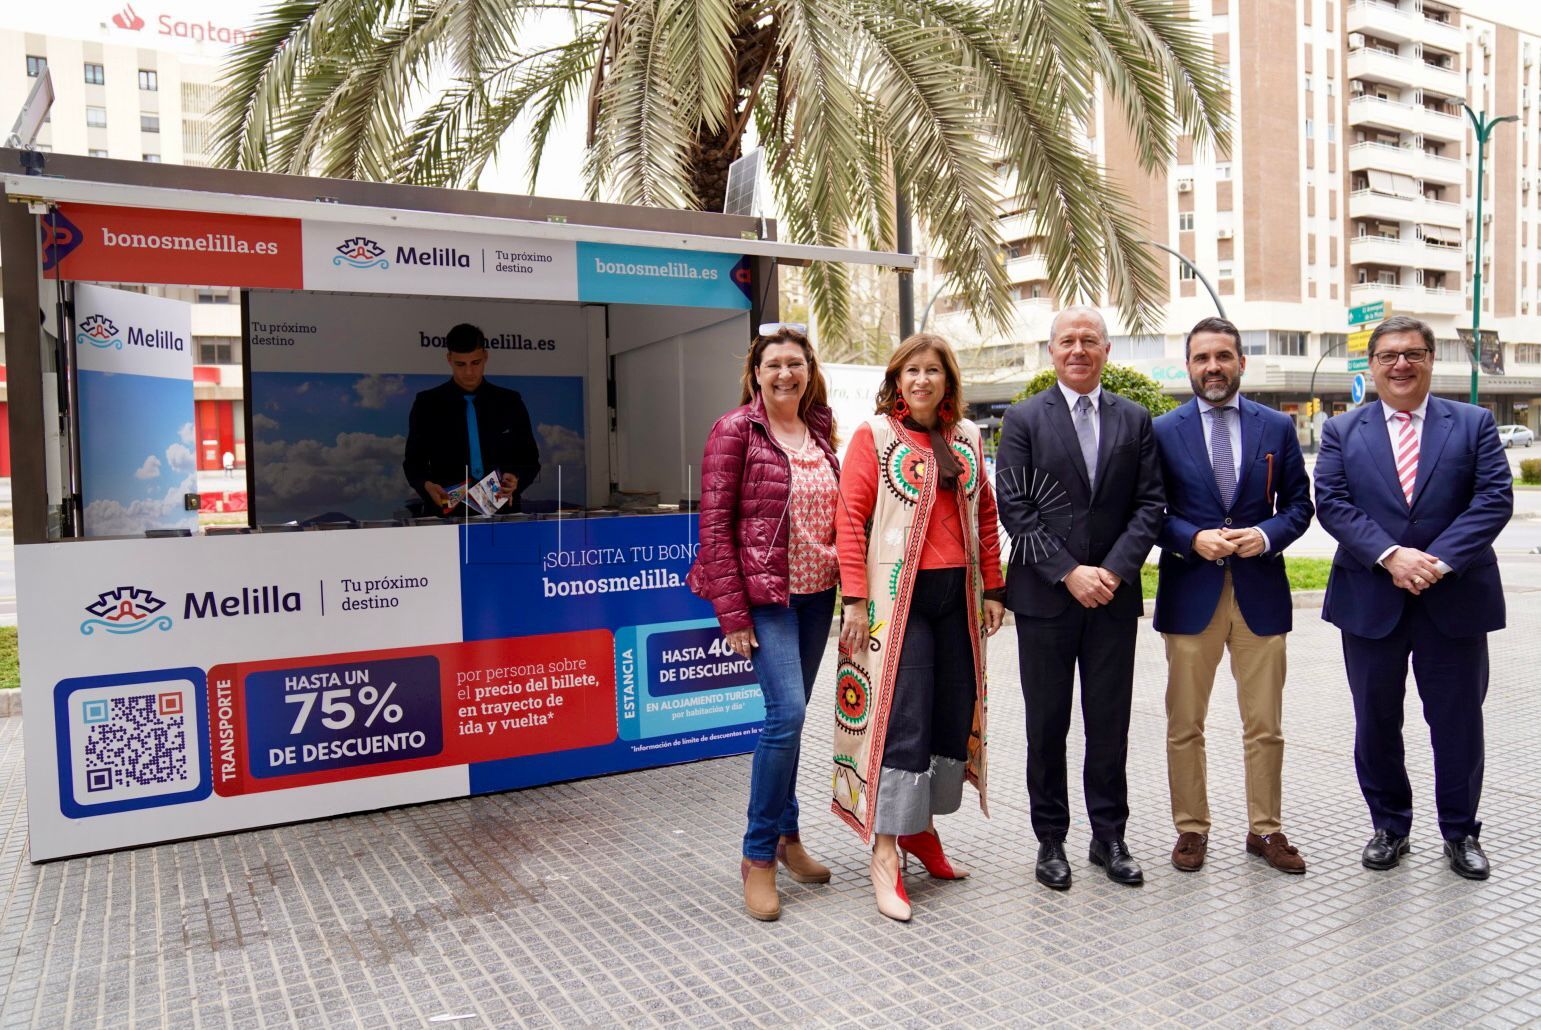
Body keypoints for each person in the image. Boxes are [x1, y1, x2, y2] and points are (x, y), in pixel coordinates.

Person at [1314, 315, 1512, 880]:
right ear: (1372, 365)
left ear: (1430, 360)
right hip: (1371, 599)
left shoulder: (1472, 423)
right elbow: (1333, 503)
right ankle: (1390, 826)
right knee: (1375, 721)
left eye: (1414, 353)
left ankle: (1461, 833)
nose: (1402, 364)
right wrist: (1392, 556)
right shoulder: (1341, 430)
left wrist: (1436, 562)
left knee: (1458, 722)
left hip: (1455, 599)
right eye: (1390, 355)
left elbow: (1493, 500)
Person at [832, 333, 1004, 922]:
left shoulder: (968, 438)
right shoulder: (874, 437)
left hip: (956, 598)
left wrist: (995, 592)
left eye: (933, 370)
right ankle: (885, 852)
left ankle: (920, 830)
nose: (922, 380)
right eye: (912, 371)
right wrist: (854, 601)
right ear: (897, 380)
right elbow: (849, 521)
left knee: (950, 716)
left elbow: (986, 516)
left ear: (948, 379)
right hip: (895, 603)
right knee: (902, 719)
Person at [995, 305, 1164, 890]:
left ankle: (1109, 837)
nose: (1078, 350)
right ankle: (1050, 841)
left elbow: (1150, 505)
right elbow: (1015, 508)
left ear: (1107, 351)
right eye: (1067, 341)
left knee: (1109, 722)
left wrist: (1112, 571)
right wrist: (1069, 572)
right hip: (1046, 598)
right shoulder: (1022, 418)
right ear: (1051, 351)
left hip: (1112, 600)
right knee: (1047, 724)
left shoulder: (1135, 419)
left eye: (1089, 340)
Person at [686, 323, 841, 922]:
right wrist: (732, 613)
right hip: (765, 599)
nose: (785, 374)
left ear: (808, 370)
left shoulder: (820, 427)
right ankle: (757, 857)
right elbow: (715, 528)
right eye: (774, 364)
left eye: (795, 364)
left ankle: (788, 836)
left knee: (793, 719)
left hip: (816, 594)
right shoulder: (734, 431)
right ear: (756, 373)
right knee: (788, 714)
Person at [1152, 317, 1315, 875]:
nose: (1213, 367)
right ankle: (1191, 829)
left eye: (1223, 356)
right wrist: (1191, 537)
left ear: (1241, 362)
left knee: (1265, 724)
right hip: (1189, 591)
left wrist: (1267, 535)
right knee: (1185, 723)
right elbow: (1151, 512)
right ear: (1189, 366)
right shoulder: (1163, 430)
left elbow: (1300, 506)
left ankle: (1265, 830)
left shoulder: (1276, 427)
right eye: (1202, 358)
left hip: (1259, 591)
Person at [403, 323, 540, 514]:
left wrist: (517, 480)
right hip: (446, 513)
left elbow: (530, 460)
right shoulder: (427, 403)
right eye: (461, 364)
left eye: (475, 363)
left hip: (502, 512)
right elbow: (413, 463)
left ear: (485, 356)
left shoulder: (510, 402)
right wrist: (425, 485)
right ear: (449, 359)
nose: (469, 372)